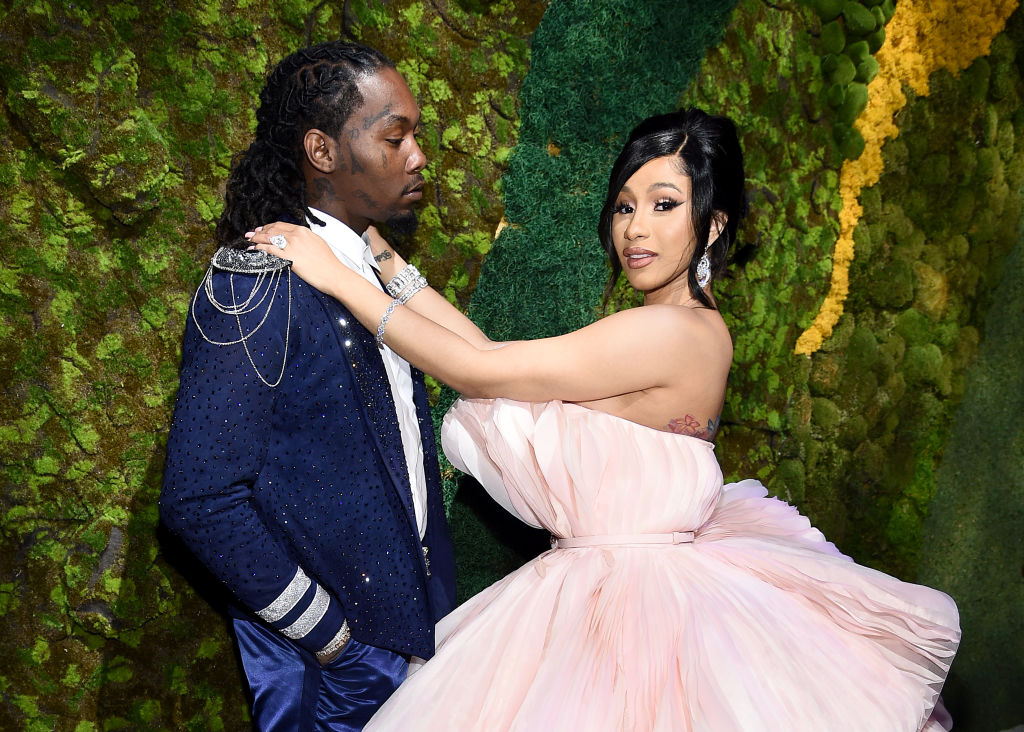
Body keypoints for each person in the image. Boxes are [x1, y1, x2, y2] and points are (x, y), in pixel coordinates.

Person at [247, 108, 960, 731]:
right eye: (624, 206)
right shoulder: (689, 328)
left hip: (629, 612)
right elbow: (494, 359)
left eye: (664, 204)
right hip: (622, 590)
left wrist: (334, 275)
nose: (635, 229)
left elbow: (476, 371)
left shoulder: (669, 333)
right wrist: (377, 254)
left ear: (712, 224)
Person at [160, 41, 456, 731]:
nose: (418, 156)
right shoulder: (255, 281)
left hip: (414, 651)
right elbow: (200, 499)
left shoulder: (368, 267)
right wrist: (334, 641)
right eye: (395, 138)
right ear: (322, 150)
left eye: (416, 136)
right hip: (335, 679)